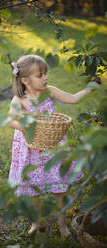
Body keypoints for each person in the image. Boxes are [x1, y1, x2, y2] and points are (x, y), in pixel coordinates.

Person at [7, 54, 92, 237]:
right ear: (25, 81)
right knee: (34, 191)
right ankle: (36, 223)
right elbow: (11, 120)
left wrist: (88, 89)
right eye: (40, 75)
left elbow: (72, 98)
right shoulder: (19, 100)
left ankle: (62, 226)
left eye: (46, 73)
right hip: (31, 151)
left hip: (53, 148)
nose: (45, 78)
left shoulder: (50, 91)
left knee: (58, 189)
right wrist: (27, 128)